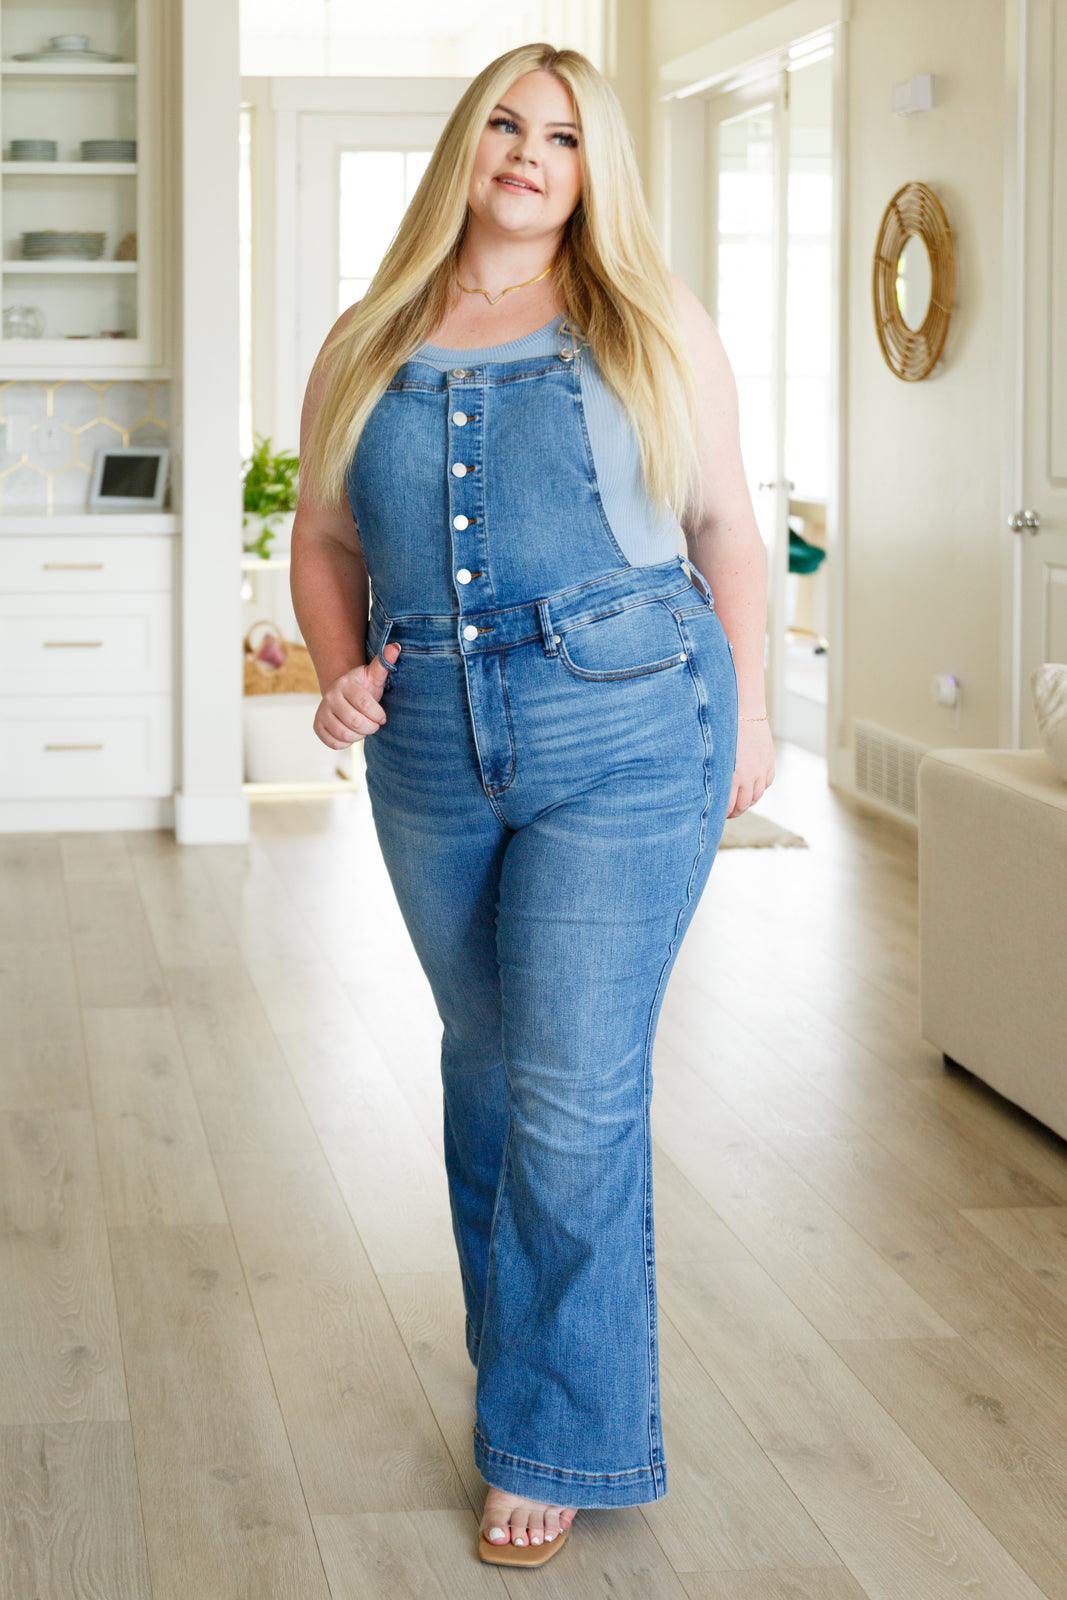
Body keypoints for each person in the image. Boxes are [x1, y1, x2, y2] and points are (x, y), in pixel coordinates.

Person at [291, 40, 773, 1570]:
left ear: (590, 172)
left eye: (561, 136)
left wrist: (754, 712)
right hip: (429, 731)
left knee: (571, 1083)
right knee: (488, 1069)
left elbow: (723, 529)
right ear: (464, 147)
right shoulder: (364, 336)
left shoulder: (650, 319)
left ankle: (551, 1439)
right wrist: (337, 672)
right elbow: (321, 543)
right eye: (505, 123)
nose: (527, 151)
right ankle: (533, 1379)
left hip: (632, 718)